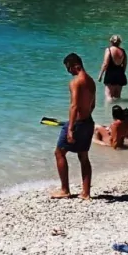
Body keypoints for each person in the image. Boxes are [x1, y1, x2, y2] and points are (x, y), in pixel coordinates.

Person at [52, 53, 96, 200]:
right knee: (84, 156)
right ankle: (86, 193)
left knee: (59, 153)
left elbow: (74, 106)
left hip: (76, 123)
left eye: (69, 68)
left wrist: (70, 128)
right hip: (88, 122)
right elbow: (93, 105)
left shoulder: (75, 82)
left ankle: (65, 189)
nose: (68, 71)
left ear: (76, 66)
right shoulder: (91, 81)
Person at [99, 35, 128, 102]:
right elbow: (125, 64)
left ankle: (107, 111)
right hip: (120, 73)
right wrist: (122, 73)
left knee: (108, 96)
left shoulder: (109, 50)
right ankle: (117, 111)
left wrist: (100, 75)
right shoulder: (123, 51)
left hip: (110, 73)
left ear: (111, 41)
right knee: (117, 97)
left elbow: (105, 64)